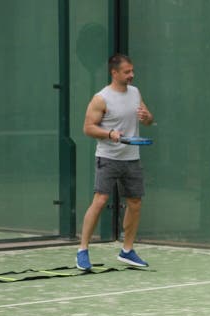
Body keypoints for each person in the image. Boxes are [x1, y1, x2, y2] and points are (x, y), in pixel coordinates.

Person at [76, 53, 154, 270]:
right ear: (114, 72)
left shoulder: (136, 93)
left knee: (135, 203)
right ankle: (82, 250)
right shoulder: (101, 98)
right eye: (127, 71)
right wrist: (110, 134)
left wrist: (147, 117)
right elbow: (88, 128)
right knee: (100, 200)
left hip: (132, 158)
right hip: (108, 158)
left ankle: (127, 251)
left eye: (132, 71)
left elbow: (148, 120)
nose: (132, 75)